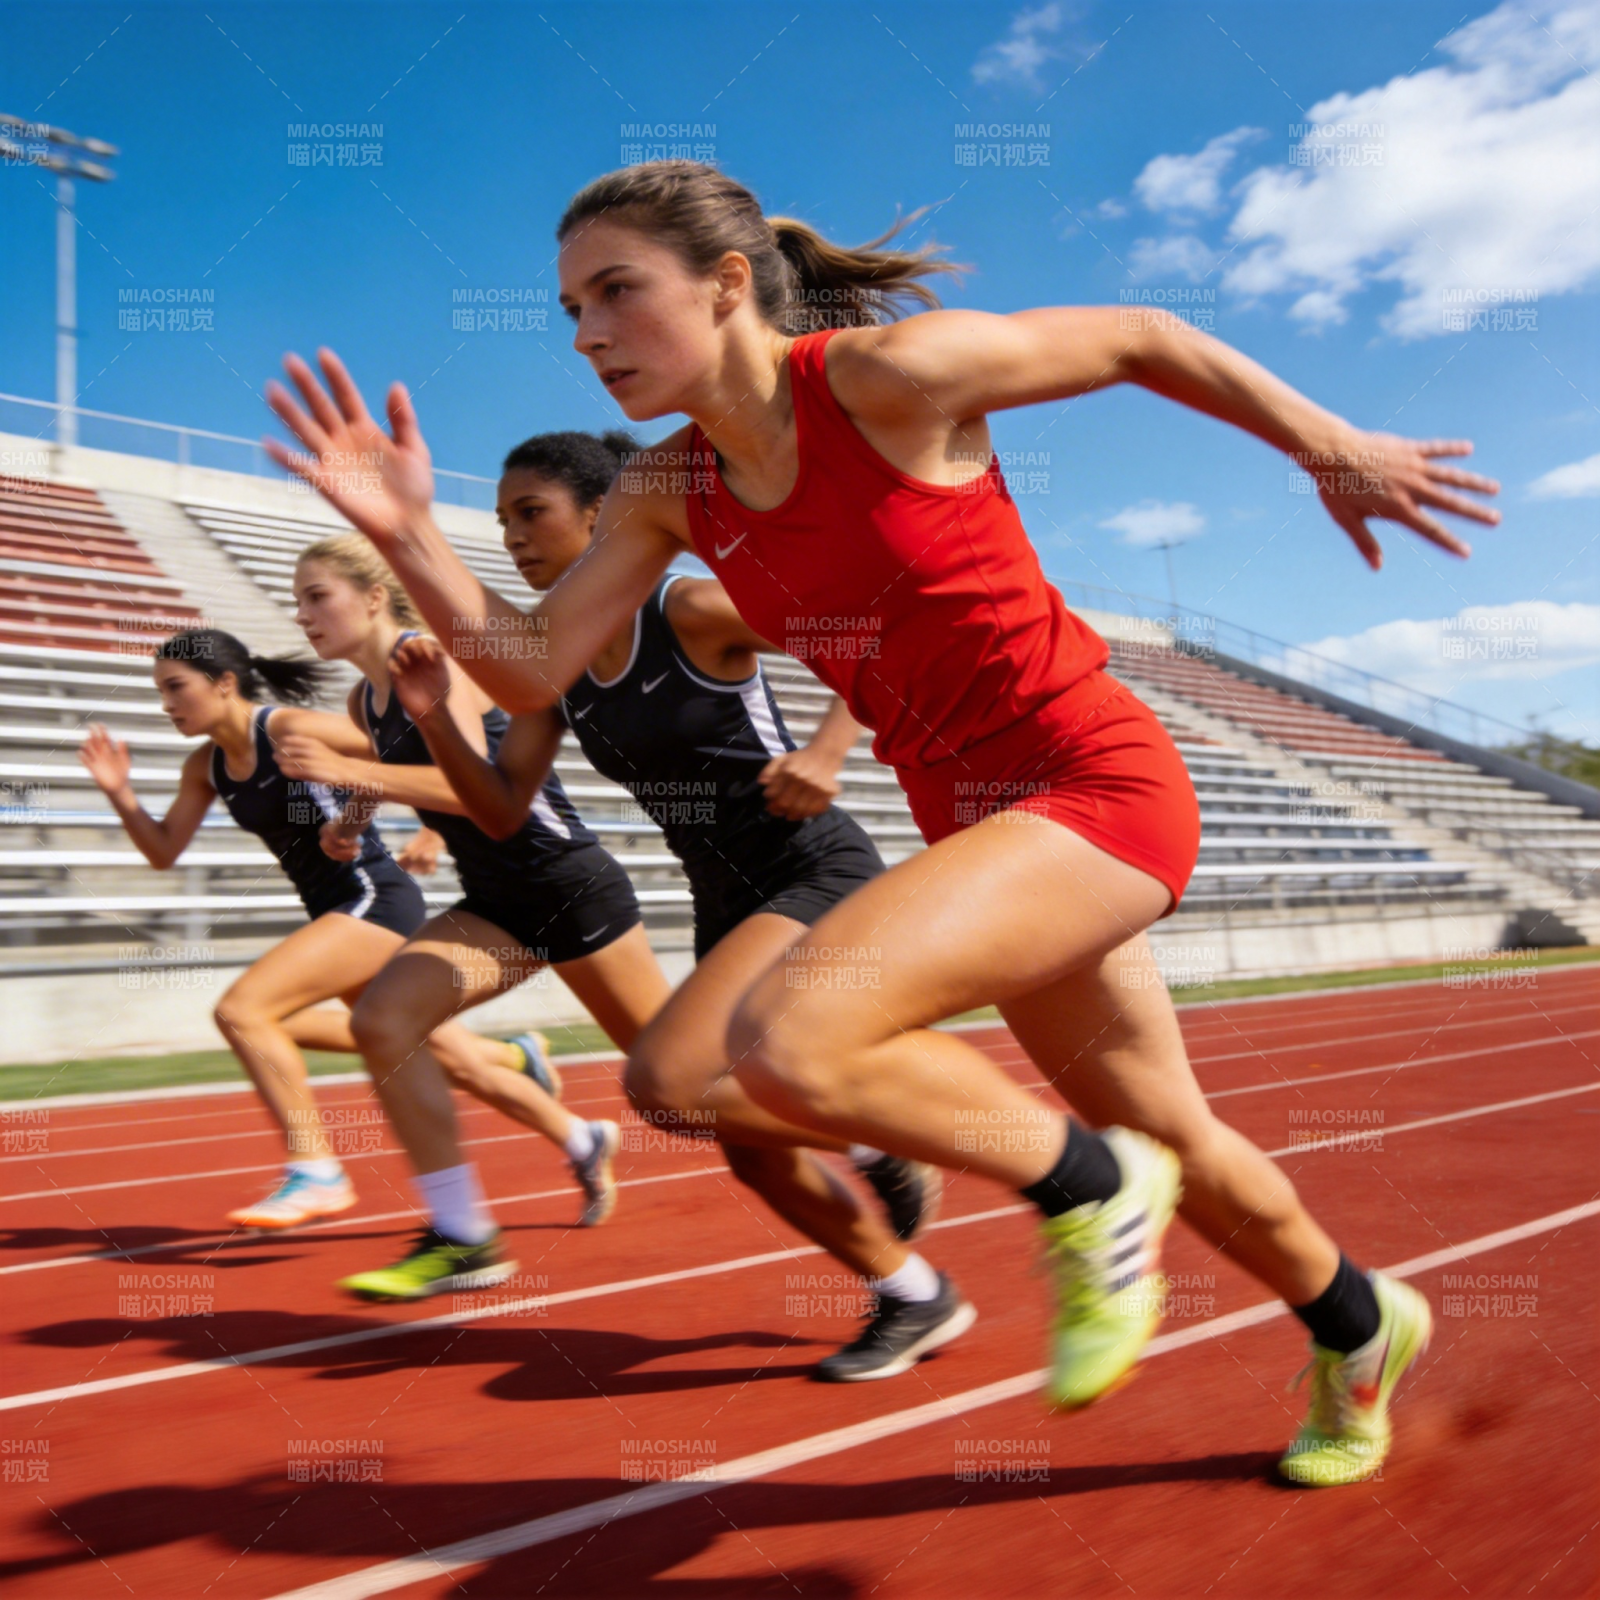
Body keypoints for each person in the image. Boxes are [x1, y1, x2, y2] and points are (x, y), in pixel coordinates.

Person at [261, 158, 1499, 1483]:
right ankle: (1362, 1330)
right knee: (1174, 1138)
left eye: (616, 292)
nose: (586, 334)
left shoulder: (888, 377)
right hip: (972, 822)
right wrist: (402, 532)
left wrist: (1337, 447)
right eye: (570, 308)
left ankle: (1086, 1195)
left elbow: (1147, 335)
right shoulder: (670, 488)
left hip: (1092, 778)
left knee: (793, 1039)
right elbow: (525, 669)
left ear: (728, 283)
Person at [385, 426, 961, 1379]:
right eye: (501, 521)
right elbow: (495, 806)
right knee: (728, 1132)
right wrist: (432, 721)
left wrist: (826, 752)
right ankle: (913, 1292)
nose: (514, 538)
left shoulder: (691, 606)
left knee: (669, 1076)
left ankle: (920, 1139)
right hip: (723, 895)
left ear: (606, 516)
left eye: (532, 513)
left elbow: (864, 625)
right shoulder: (552, 672)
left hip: (809, 866)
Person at [275, 532, 671, 1297]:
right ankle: (464, 1236)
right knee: (382, 1021)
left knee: (682, 1087)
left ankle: (858, 1144)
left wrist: (347, 772)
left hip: (566, 886)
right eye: (296, 601)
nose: (303, 615)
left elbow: (485, 800)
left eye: (317, 596)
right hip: (497, 904)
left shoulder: (435, 660)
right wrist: (353, 817)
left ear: (374, 597)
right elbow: (401, 771)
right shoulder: (366, 697)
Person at [79, 628, 546, 1232]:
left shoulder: (289, 728)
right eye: (159, 692)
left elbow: (408, 749)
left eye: (175, 688)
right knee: (412, 1043)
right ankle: (532, 1080)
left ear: (224, 684)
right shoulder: (206, 766)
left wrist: (433, 830)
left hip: (373, 897)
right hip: (332, 908)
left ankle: (316, 1167)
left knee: (243, 1012)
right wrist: (120, 794)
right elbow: (165, 849)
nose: (166, 703)